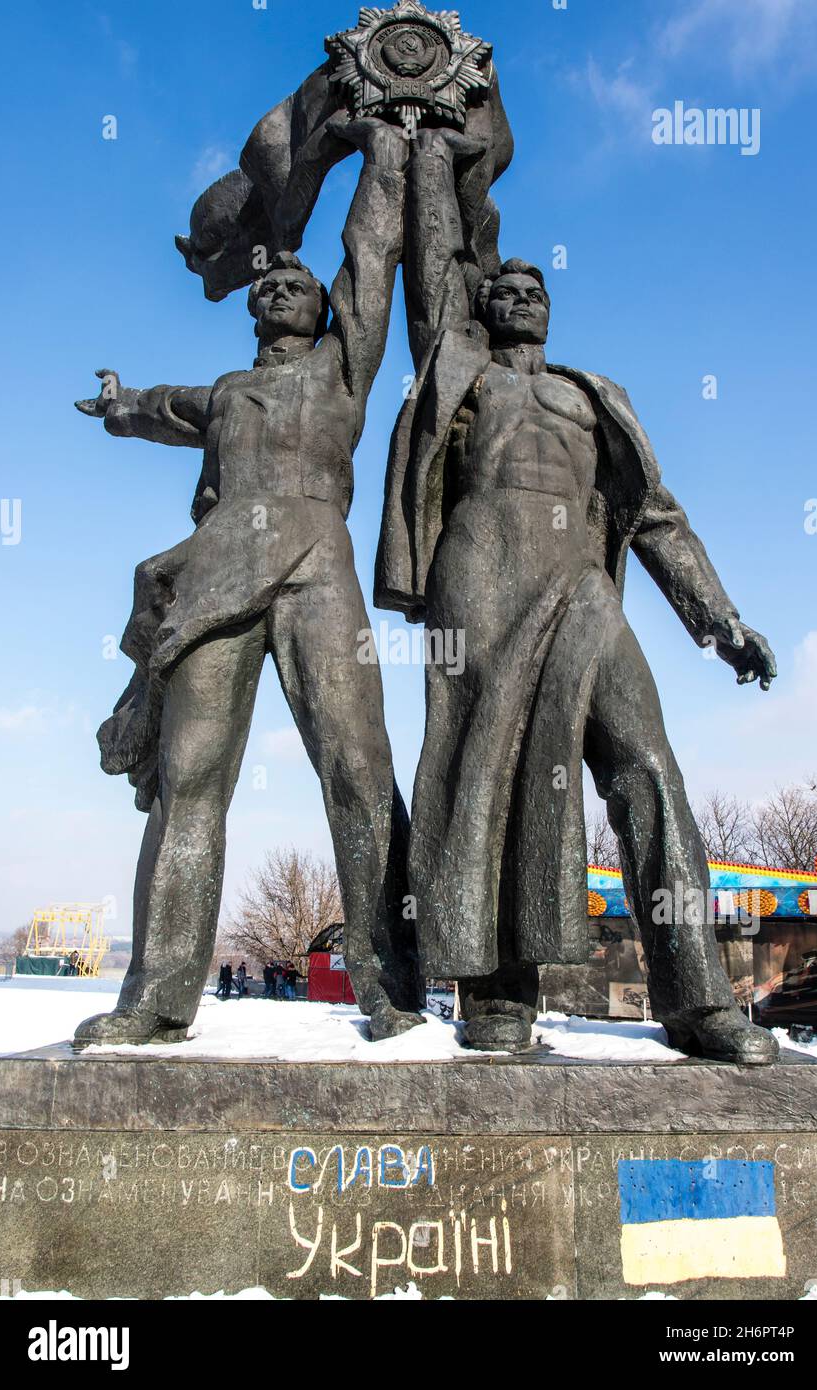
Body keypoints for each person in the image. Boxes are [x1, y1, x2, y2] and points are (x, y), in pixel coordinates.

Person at [376, 131, 780, 1063]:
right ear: (482, 308)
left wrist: (718, 620)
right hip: (477, 576)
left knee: (645, 761)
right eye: (501, 289)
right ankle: (497, 993)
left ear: (553, 311)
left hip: (580, 585)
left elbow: (658, 518)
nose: (517, 295)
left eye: (535, 288)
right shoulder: (461, 377)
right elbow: (441, 251)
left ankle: (698, 998)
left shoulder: (596, 397)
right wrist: (437, 144)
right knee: (482, 768)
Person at [73, 115, 423, 1048]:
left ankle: (386, 981)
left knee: (358, 766)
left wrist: (385, 148)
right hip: (222, 568)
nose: (277, 285)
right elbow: (157, 408)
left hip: (319, 567)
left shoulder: (345, 373)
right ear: (253, 308)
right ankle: (155, 995)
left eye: (295, 281)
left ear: (322, 310)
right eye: (267, 281)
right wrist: (117, 406)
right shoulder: (228, 393)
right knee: (191, 780)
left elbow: (371, 251)